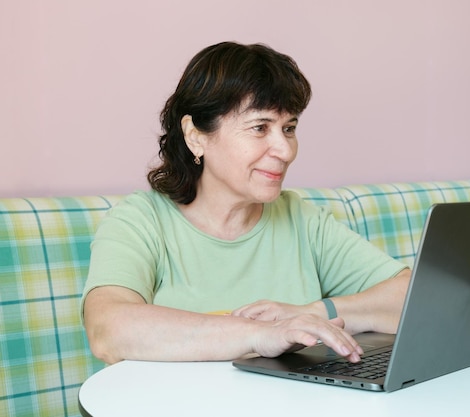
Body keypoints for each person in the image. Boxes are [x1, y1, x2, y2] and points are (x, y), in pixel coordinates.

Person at [82, 41, 410, 365]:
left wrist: (314, 312)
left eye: (289, 128)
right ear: (196, 135)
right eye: (260, 127)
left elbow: (413, 295)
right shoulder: (141, 220)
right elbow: (107, 327)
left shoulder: (299, 219)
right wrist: (259, 334)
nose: (285, 150)